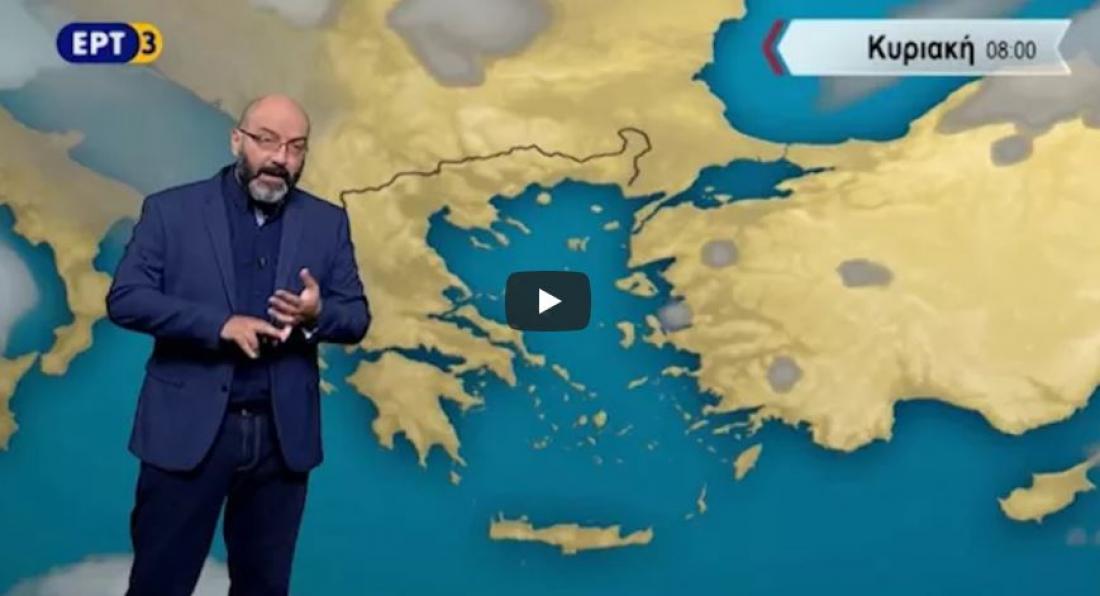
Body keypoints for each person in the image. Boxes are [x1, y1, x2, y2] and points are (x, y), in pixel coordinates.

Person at [106, 94, 371, 595]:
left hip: (281, 441)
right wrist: (219, 325)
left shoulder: (327, 222)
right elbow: (126, 299)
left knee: (264, 588)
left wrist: (317, 314)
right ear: (236, 140)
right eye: (266, 141)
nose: (280, 158)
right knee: (160, 585)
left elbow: (356, 317)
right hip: (188, 433)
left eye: (295, 147)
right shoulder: (171, 211)